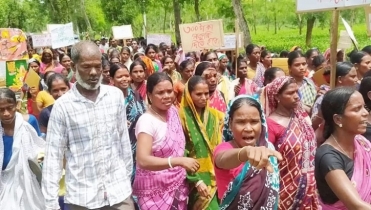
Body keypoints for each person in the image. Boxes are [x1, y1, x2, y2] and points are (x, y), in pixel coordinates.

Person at [42, 41, 135, 210]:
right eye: (86, 67)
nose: (93, 73)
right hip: (83, 198)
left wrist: (125, 179)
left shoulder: (114, 96)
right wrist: (51, 204)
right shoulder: (63, 106)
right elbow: (53, 157)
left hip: (119, 194)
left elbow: (123, 142)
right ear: (74, 67)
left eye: (97, 66)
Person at [134, 72, 199, 210]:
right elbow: (143, 160)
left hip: (177, 186)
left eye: (169, 91)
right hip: (154, 194)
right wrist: (177, 161)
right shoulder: (147, 121)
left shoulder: (173, 112)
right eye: (160, 92)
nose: (167, 96)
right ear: (150, 96)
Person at [214, 95, 281, 209]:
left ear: (262, 122)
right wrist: (244, 153)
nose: (248, 128)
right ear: (230, 124)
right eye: (241, 122)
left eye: (254, 122)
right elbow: (222, 159)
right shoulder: (224, 149)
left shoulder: (267, 149)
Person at [262, 76, 319, 209]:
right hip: (283, 190)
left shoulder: (302, 118)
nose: (296, 96)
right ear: (277, 97)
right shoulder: (271, 124)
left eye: (296, 92)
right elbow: (268, 161)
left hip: (309, 190)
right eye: (290, 93)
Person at [316, 87, 371, 209]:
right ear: (338, 119)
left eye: (364, 107)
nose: (365, 113)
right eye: (357, 109)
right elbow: (356, 206)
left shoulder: (362, 143)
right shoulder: (328, 156)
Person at [179, 76, 224, 209]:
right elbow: (180, 151)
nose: (204, 97)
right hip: (193, 177)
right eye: (198, 94)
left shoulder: (217, 116)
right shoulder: (181, 118)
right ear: (189, 94)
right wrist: (196, 180)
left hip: (216, 176)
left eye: (207, 94)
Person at [0, 88, 45, 209]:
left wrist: (42, 171)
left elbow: (40, 148)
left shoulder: (29, 122)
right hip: (3, 183)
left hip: (28, 182)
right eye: (1, 110)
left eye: (10, 108)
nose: (6, 113)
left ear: (16, 105)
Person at [110, 63, 146, 182]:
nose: (124, 79)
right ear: (111, 79)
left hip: (138, 149)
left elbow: (144, 115)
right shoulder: (109, 100)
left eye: (126, 75)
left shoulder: (136, 95)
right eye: (119, 77)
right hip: (117, 151)